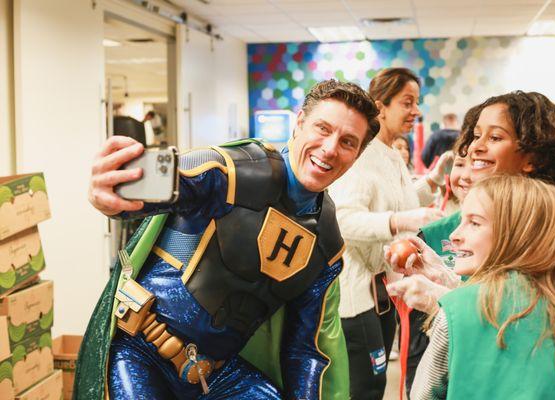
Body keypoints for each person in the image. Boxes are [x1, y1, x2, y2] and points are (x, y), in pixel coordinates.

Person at [73, 79, 380, 399]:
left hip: (215, 373)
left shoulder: (327, 244)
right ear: (300, 122)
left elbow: (304, 352)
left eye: (347, 142)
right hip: (140, 351)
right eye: (322, 128)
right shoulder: (234, 171)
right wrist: (113, 188)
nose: (330, 148)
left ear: (356, 155)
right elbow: (164, 181)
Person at [389, 91, 555, 392]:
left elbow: (520, 334)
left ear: (532, 157)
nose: (476, 147)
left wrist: (445, 308)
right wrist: (446, 283)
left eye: (495, 137)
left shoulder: (541, 238)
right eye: (477, 135)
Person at [400, 175, 555, 399]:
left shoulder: (453, 313)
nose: (455, 235)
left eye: (474, 223)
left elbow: (424, 395)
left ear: (519, 235)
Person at [328, 67, 451, 400]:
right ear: (380, 107)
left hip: (381, 292)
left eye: (417, 102)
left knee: (375, 383)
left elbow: (399, 200)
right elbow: (345, 221)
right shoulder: (363, 156)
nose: (416, 111)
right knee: (365, 387)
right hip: (356, 297)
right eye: (407, 102)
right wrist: (399, 222)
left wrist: (435, 180)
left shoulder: (389, 152)